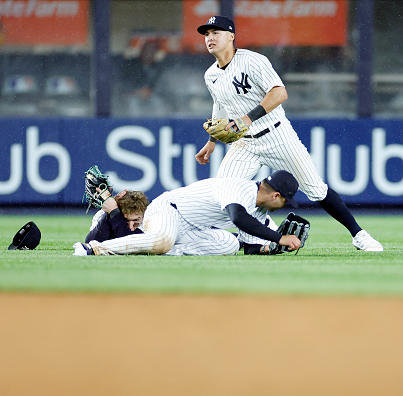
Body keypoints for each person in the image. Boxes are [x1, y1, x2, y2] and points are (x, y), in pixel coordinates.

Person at [194, 16, 383, 252]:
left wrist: (246, 118)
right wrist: (212, 142)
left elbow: (280, 93)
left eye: (216, 32)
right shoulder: (210, 74)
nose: (210, 38)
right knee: (224, 192)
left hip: (277, 136)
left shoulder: (253, 61)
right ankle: (254, 242)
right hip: (244, 144)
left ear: (231, 36)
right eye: (207, 34)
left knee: (316, 189)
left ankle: (359, 235)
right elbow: (220, 105)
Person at [73, 170, 302, 256]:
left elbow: (250, 248)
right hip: (170, 210)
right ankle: (92, 249)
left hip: (193, 229)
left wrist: (273, 248)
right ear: (276, 195)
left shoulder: (260, 210)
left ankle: (160, 252)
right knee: (162, 240)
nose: (284, 205)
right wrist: (279, 236)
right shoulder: (239, 187)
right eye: (285, 200)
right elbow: (238, 218)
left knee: (230, 246)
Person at [120, 40, 167, 117]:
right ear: (142, 52)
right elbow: (125, 82)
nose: (148, 54)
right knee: (132, 103)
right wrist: (136, 91)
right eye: (146, 51)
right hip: (134, 95)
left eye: (152, 52)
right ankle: (135, 124)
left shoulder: (158, 68)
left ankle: (160, 124)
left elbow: (162, 85)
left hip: (152, 96)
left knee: (158, 103)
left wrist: (151, 92)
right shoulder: (132, 65)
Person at [84, 189, 150, 243]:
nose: (131, 227)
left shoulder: (149, 219)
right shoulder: (102, 214)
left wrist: (115, 213)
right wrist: (111, 211)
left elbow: (133, 243)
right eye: (125, 220)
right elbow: (91, 243)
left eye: (136, 220)